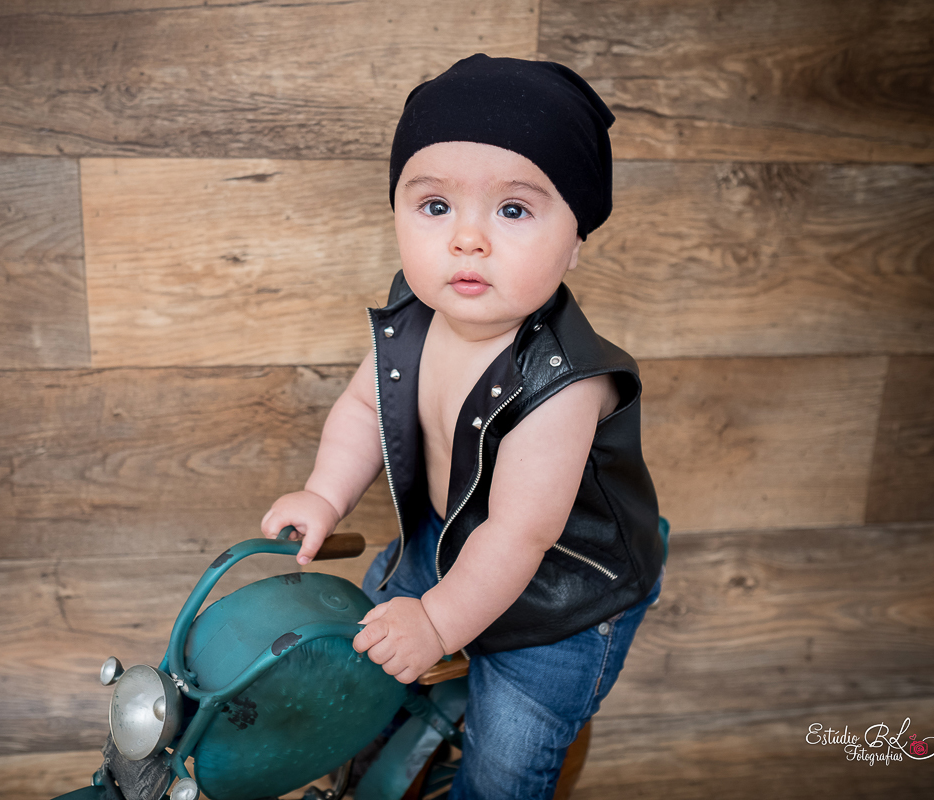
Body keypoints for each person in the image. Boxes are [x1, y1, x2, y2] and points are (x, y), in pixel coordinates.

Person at [261, 53, 666, 799]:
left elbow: (519, 535)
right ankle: (379, 758)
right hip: (446, 541)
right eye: (435, 206)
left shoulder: (566, 383)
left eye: (513, 210)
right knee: (367, 657)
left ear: (577, 237)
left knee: (509, 752)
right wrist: (324, 495)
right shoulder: (415, 317)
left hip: (559, 597)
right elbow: (361, 408)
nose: (468, 239)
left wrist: (440, 626)